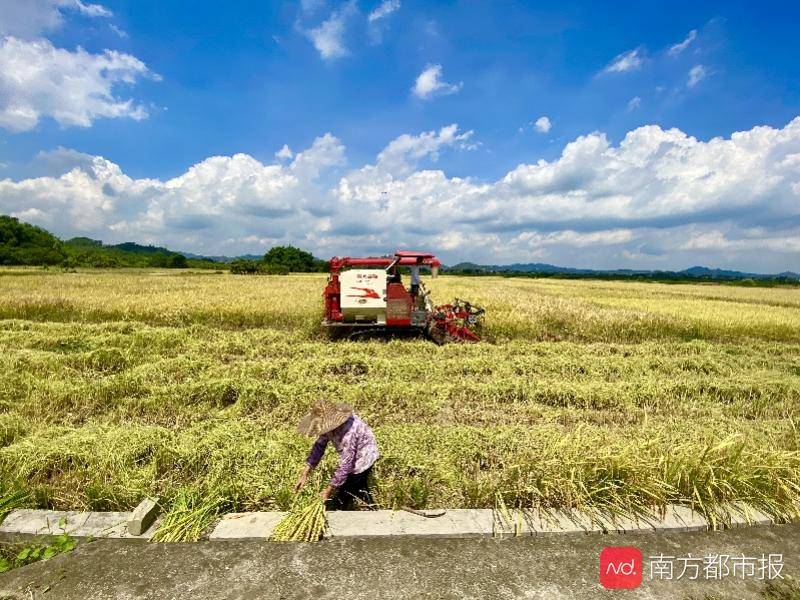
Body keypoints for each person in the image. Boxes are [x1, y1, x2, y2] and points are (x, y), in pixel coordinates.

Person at [294, 399, 380, 510]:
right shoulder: (328, 425)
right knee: (358, 487)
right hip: (353, 454)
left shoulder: (349, 432)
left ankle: (367, 511)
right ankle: (372, 509)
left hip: (364, 456)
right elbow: (319, 447)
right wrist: (305, 473)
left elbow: (346, 465)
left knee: (345, 494)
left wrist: (328, 490)